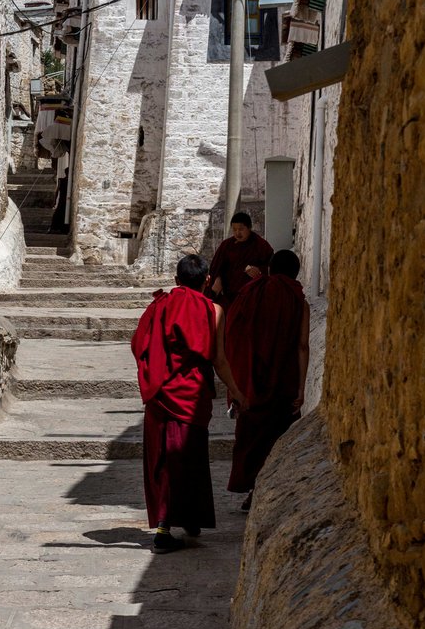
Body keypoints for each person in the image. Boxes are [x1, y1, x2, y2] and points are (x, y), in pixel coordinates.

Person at [131, 253, 248, 554]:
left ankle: (174, 522)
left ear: (175, 280)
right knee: (188, 457)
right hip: (191, 395)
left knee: (162, 459)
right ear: (207, 280)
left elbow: (140, 345)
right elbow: (219, 360)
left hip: (161, 393)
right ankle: (164, 531)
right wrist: (236, 391)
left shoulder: (159, 306)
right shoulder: (215, 310)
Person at [225, 249, 310, 511]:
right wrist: (301, 388)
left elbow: (234, 336)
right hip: (283, 381)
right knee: (278, 439)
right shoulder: (299, 301)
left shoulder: (253, 293)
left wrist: (236, 386)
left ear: (271, 269)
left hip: (252, 381)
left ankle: (253, 490)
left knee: (252, 441)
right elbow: (302, 346)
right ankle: (272, 492)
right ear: (296, 273)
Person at [207, 212, 273, 313]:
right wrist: (218, 278)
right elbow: (216, 267)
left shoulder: (260, 245)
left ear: (249, 228)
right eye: (234, 229)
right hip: (228, 295)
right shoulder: (226, 246)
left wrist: (259, 271)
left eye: (241, 229)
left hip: (252, 297)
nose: (237, 233)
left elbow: (271, 267)